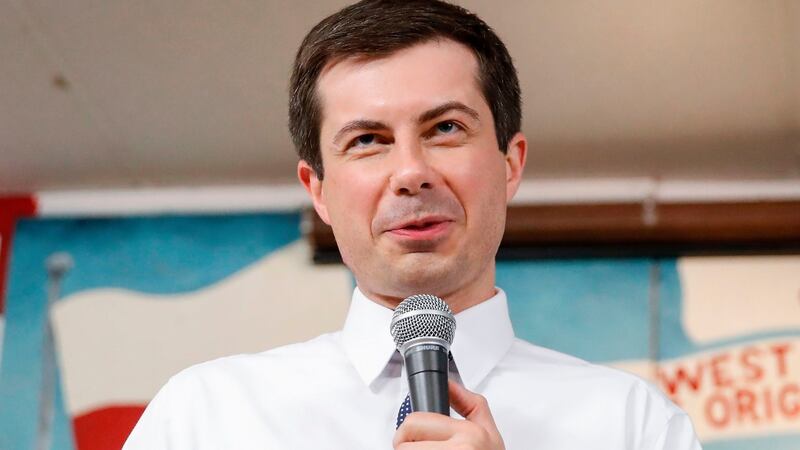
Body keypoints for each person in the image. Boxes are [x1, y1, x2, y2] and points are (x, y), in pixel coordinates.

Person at [124, 1, 702, 448]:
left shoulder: (633, 425)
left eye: (445, 128)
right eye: (368, 140)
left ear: (510, 163)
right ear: (318, 190)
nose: (410, 173)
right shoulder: (206, 417)